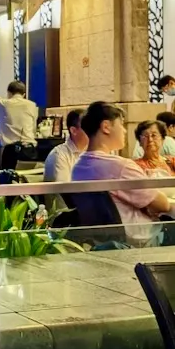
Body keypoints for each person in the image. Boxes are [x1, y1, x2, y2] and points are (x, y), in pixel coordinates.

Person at [72, 102, 171, 246]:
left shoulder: (78, 167)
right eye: (121, 124)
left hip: (104, 242)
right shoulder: (121, 166)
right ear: (106, 127)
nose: (125, 131)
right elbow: (162, 205)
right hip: (144, 240)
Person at [0, 81, 38, 170]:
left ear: (9, 93)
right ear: (24, 94)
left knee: (9, 180)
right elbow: (33, 127)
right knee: (27, 179)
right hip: (29, 149)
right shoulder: (32, 105)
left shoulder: (3, 103)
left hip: (11, 151)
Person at [43, 109, 88, 183]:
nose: (92, 131)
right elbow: (62, 192)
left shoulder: (93, 152)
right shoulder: (59, 155)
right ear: (73, 131)